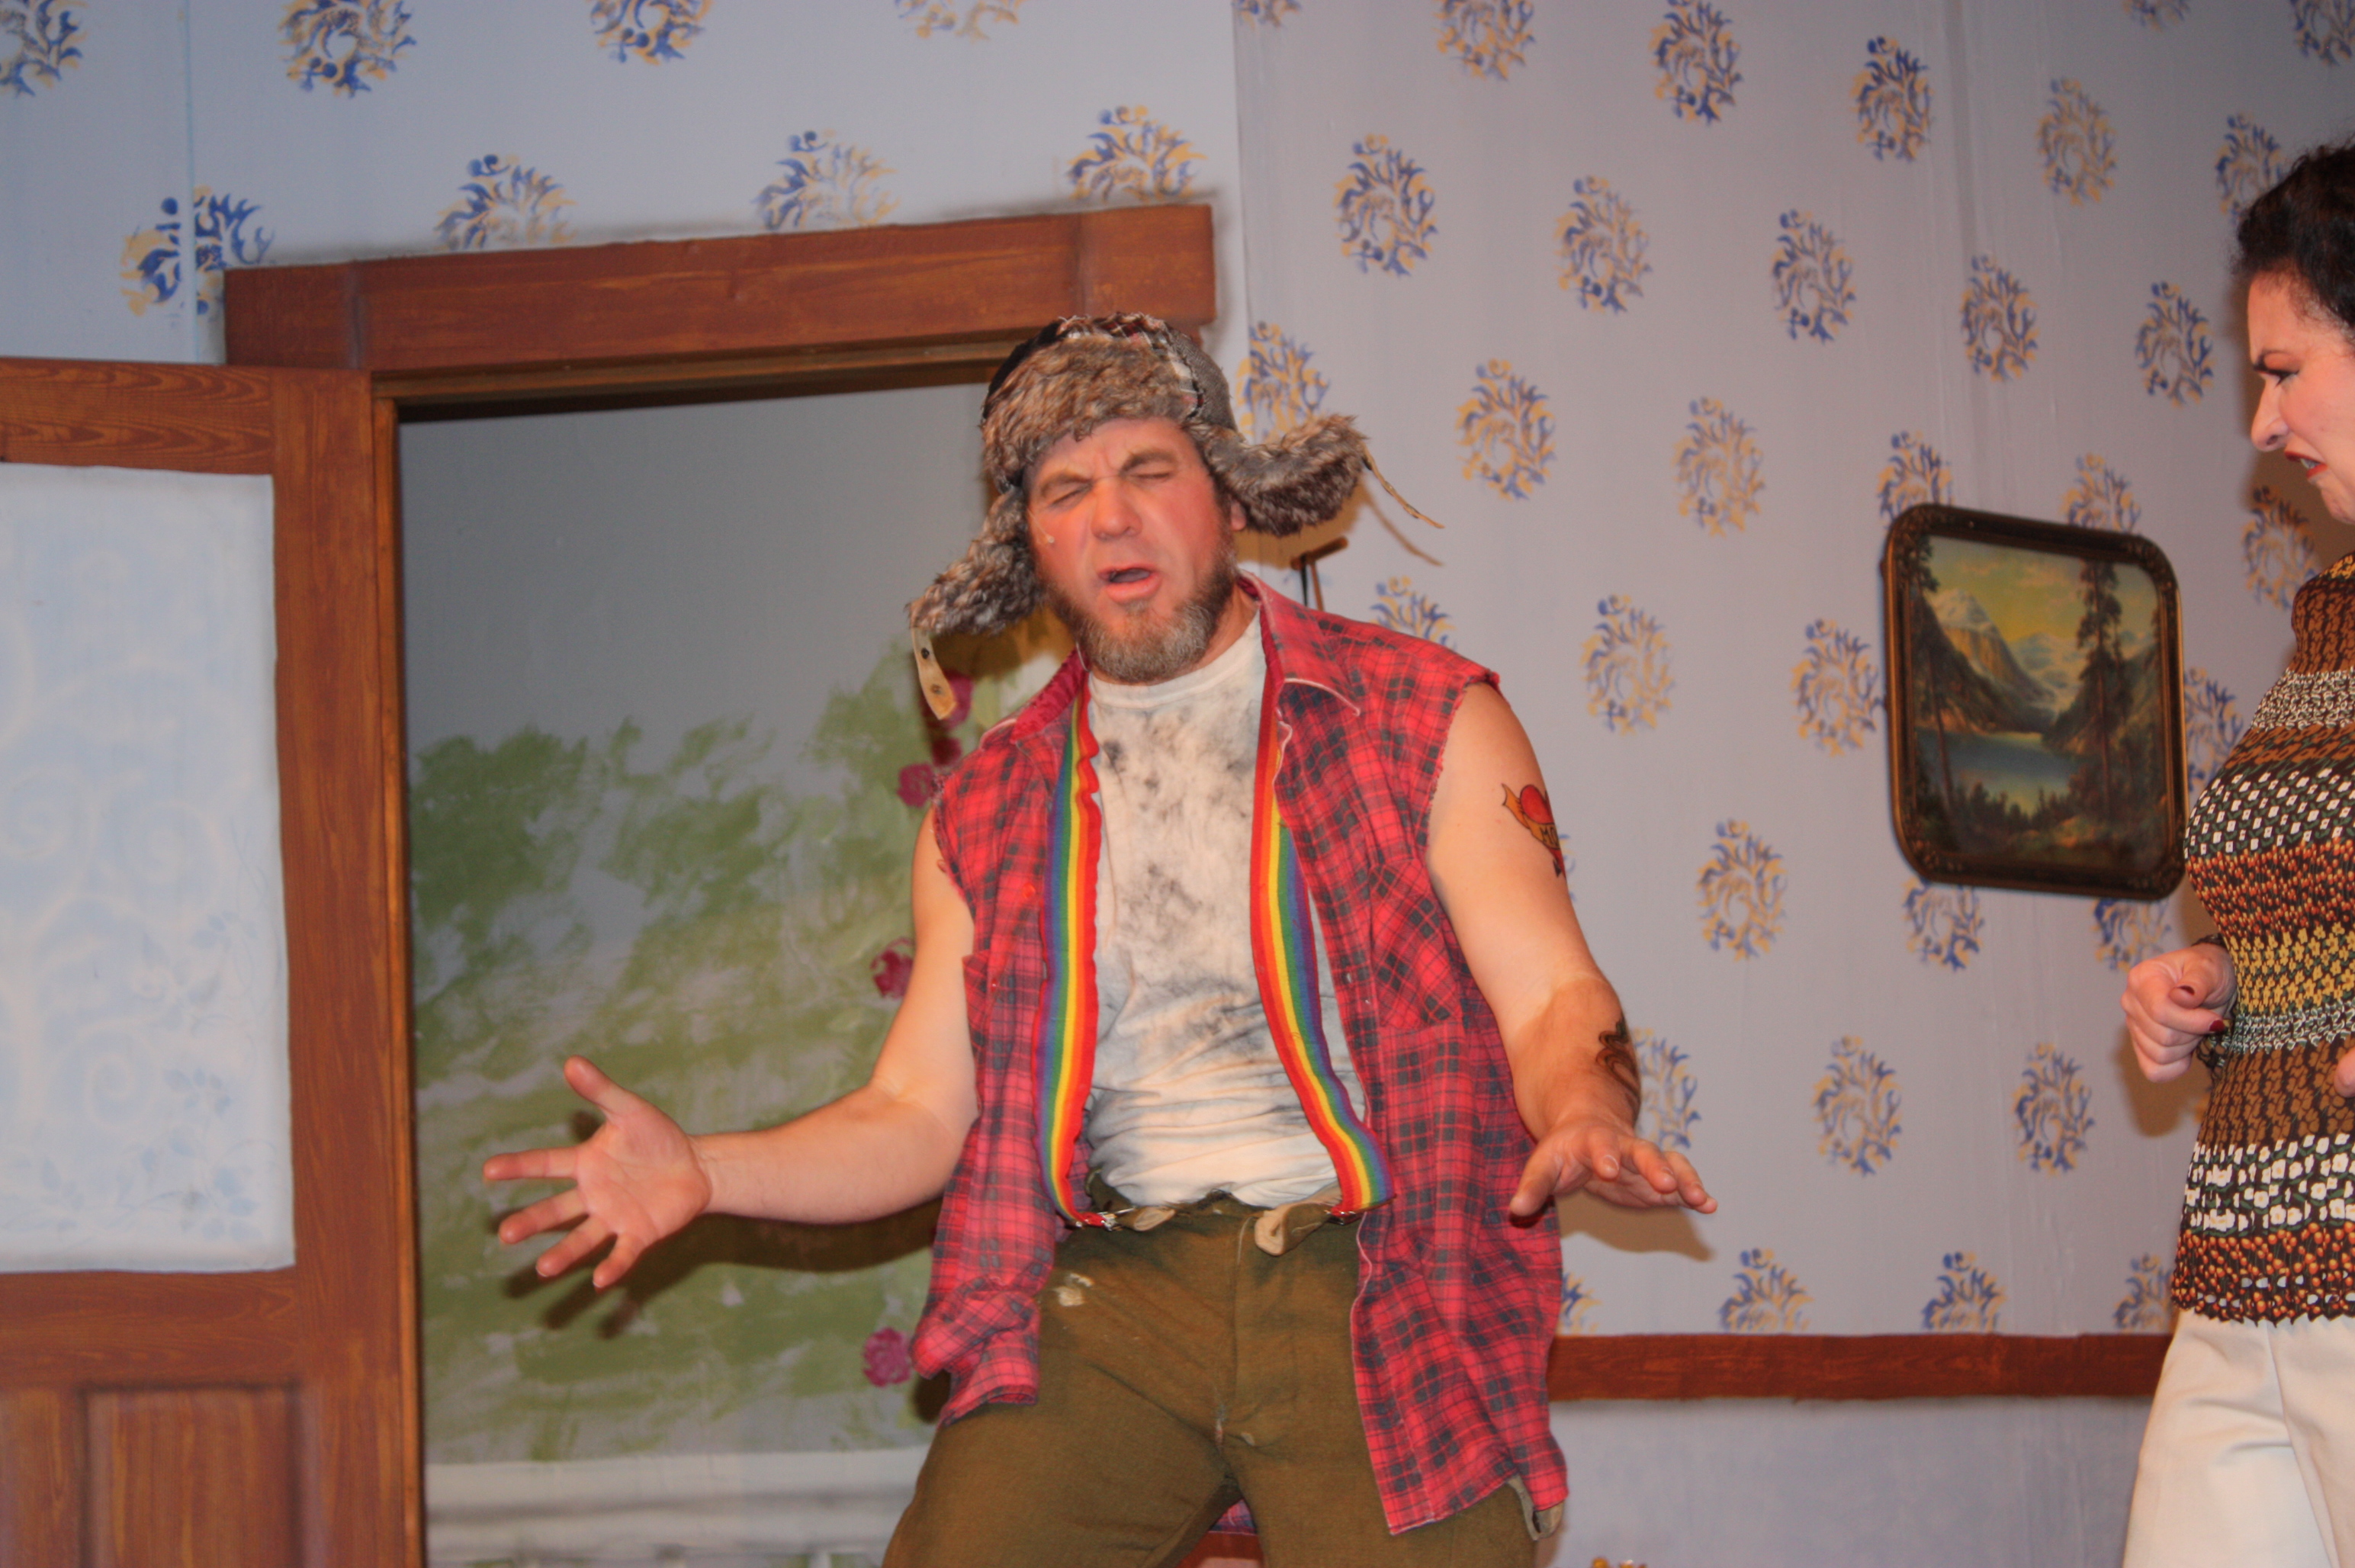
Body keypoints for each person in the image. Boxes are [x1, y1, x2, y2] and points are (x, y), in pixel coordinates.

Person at [487, 314, 1714, 1566]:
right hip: (1115, 1294)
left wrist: (1582, 1108)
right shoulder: (985, 809)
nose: (1112, 518)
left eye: (1147, 471)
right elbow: (915, 1111)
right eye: (1066, 490)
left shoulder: (1423, 715)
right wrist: (704, 1171)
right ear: (1033, 541)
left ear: (1226, 497)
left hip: (1374, 1274)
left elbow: (1551, 992)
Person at [2119, 141, 2355, 1568]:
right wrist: (2217, 975)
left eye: (2285, 371)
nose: (2262, 423)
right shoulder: (2332, 616)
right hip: (2244, 1264)